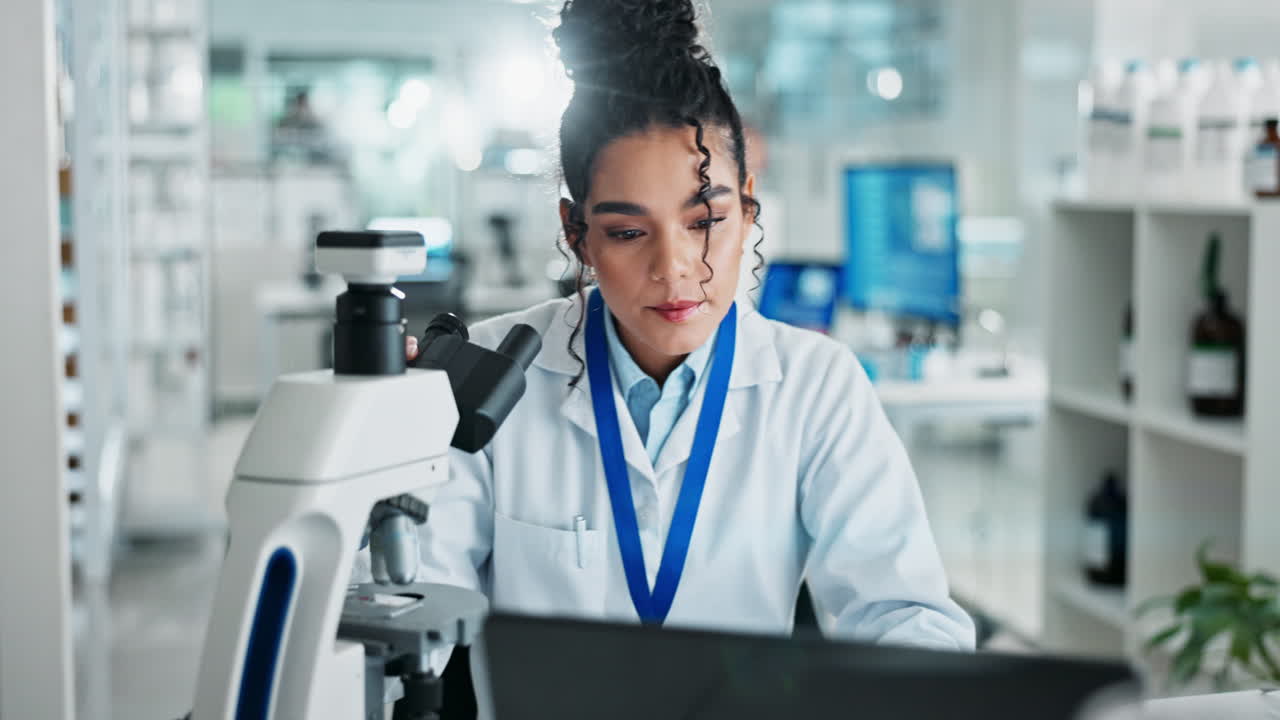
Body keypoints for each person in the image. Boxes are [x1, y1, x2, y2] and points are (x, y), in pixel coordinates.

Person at [409, 0, 974, 710]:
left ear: (748, 206)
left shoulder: (815, 386)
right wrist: (382, 459)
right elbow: (407, 613)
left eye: (706, 221)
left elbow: (905, 615)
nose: (676, 270)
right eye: (625, 233)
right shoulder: (492, 375)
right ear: (575, 232)